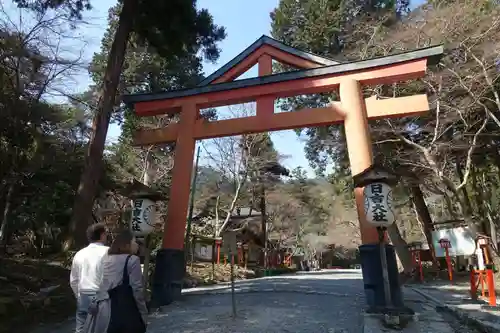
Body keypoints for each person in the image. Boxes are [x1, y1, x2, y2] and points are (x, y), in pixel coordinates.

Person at [83, 230, 148, 333]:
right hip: (124, 308)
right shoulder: (132, 260)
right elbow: (137, 290)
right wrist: (143, 312)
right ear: (127, 244)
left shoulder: (105, 259)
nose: (137, 245)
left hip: (103, 308)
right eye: (134, 242)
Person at [70, 223, 109, 333]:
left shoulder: (79, 254)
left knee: (82, 328)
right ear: (102, 235)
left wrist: (78, 296)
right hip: (103, 295)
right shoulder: (109, 252)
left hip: (84, 294)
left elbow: (74, 280)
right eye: (105, 234)